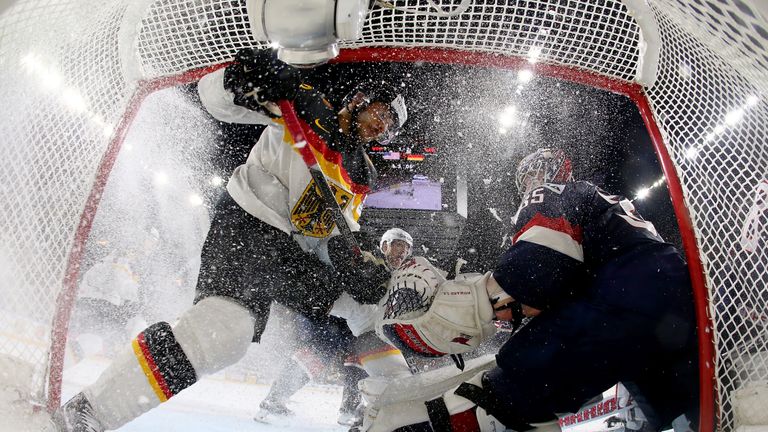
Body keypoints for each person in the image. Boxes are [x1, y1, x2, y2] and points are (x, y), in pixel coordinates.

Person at [52, 48, 407, 432]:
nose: (382, 129)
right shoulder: (304, 104)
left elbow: (335, 226)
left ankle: (402, 409)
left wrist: (358, 259)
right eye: (382, 115)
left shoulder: (362, 172)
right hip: (248, 228)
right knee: (225, 332)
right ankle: (91, 411)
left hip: (290, 253)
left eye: (391, 127)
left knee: (370, 311)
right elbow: (217, 101)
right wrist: (238, 79)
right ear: (359, 100)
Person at [369, 149, 698, 432]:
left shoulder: (555, 194)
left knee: (500, 397)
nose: (531, 182)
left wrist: (472, 304)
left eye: (537, 172)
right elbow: (550, 289)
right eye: (526, 177)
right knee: (690, 411)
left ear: (558, 172)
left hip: (624, 297)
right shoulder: (605, 204)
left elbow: (535, 269)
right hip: (678, 315)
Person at [255, 228, 416, 426]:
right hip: (334, 312)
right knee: (319, 351)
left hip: (353, 321)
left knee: (357, 358)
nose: (402, 252)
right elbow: (353, 280)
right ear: (385, 245)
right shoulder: (369, 257)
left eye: (407, 249)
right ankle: (275, 399)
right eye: (399, 245)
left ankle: (348, 409)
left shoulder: (395, 274)